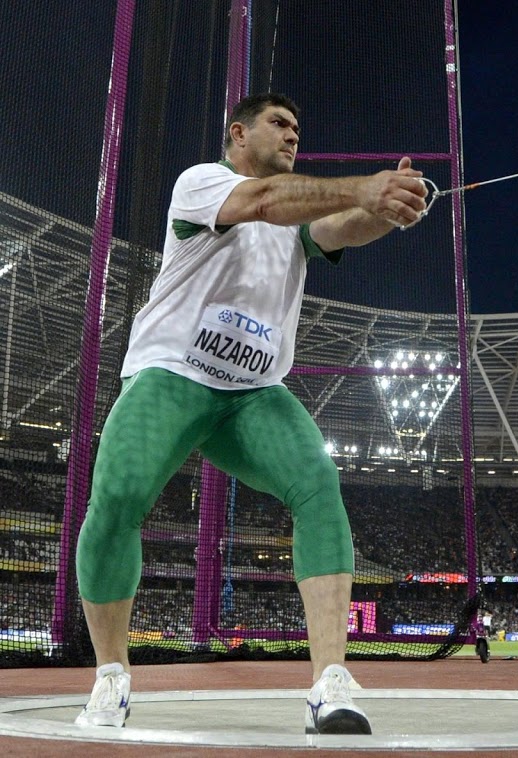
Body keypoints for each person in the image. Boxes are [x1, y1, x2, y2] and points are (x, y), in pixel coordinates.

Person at [73, 92, 428, 735]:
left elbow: (343, 225)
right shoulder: (203, 183)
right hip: (172, 375)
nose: (293, 135)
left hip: (253, 392)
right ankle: (110, 676)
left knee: (319, 485)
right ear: (238, 133)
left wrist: (391, 206)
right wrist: (365, 185)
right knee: (118, 496)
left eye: (298, 127)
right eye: (280, 124)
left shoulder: (295, 224)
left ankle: (330, 683)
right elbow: (266, 201)